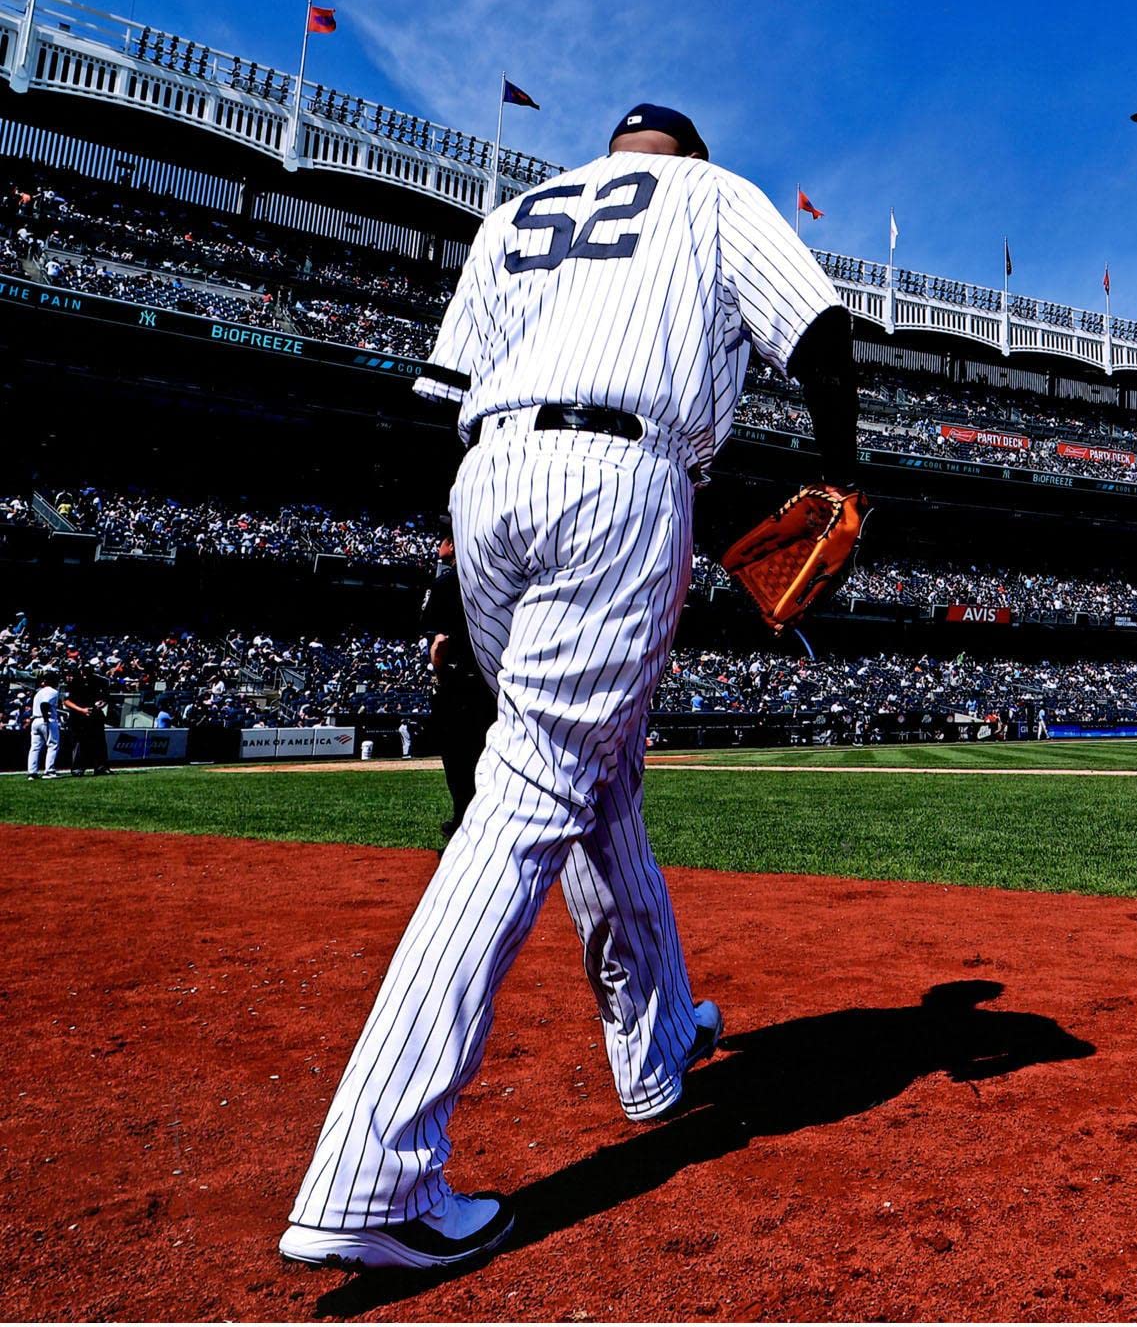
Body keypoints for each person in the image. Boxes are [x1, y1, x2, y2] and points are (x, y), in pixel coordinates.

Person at [281, 102, 857, 1272]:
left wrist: (448, 578)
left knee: (599, 779)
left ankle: (653, 1047)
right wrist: (842, 475)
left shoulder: (517, 212)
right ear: (684, 156)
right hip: (619, 476)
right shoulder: (708, 194)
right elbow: (821, 333)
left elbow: (434, 406)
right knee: (532, 791)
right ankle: (372, 1168)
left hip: (488, 485)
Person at [421, 537, 498, 843]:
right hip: (492, 685)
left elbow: (440, 642)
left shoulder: (446, 584)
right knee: (489, 759)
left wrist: (440, 674)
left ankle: (463, 824)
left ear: (452, 544)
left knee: (458, 762)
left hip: (457, 685)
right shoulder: (493, 579)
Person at [27, 673, 62, 778]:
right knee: (52, 745)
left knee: (35, 747)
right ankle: (49, 771)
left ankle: (32, 772)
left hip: (35, 720)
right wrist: (46, 718)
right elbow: (44, 704)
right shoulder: (53, 691)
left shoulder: (39, 692)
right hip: (46, 720)